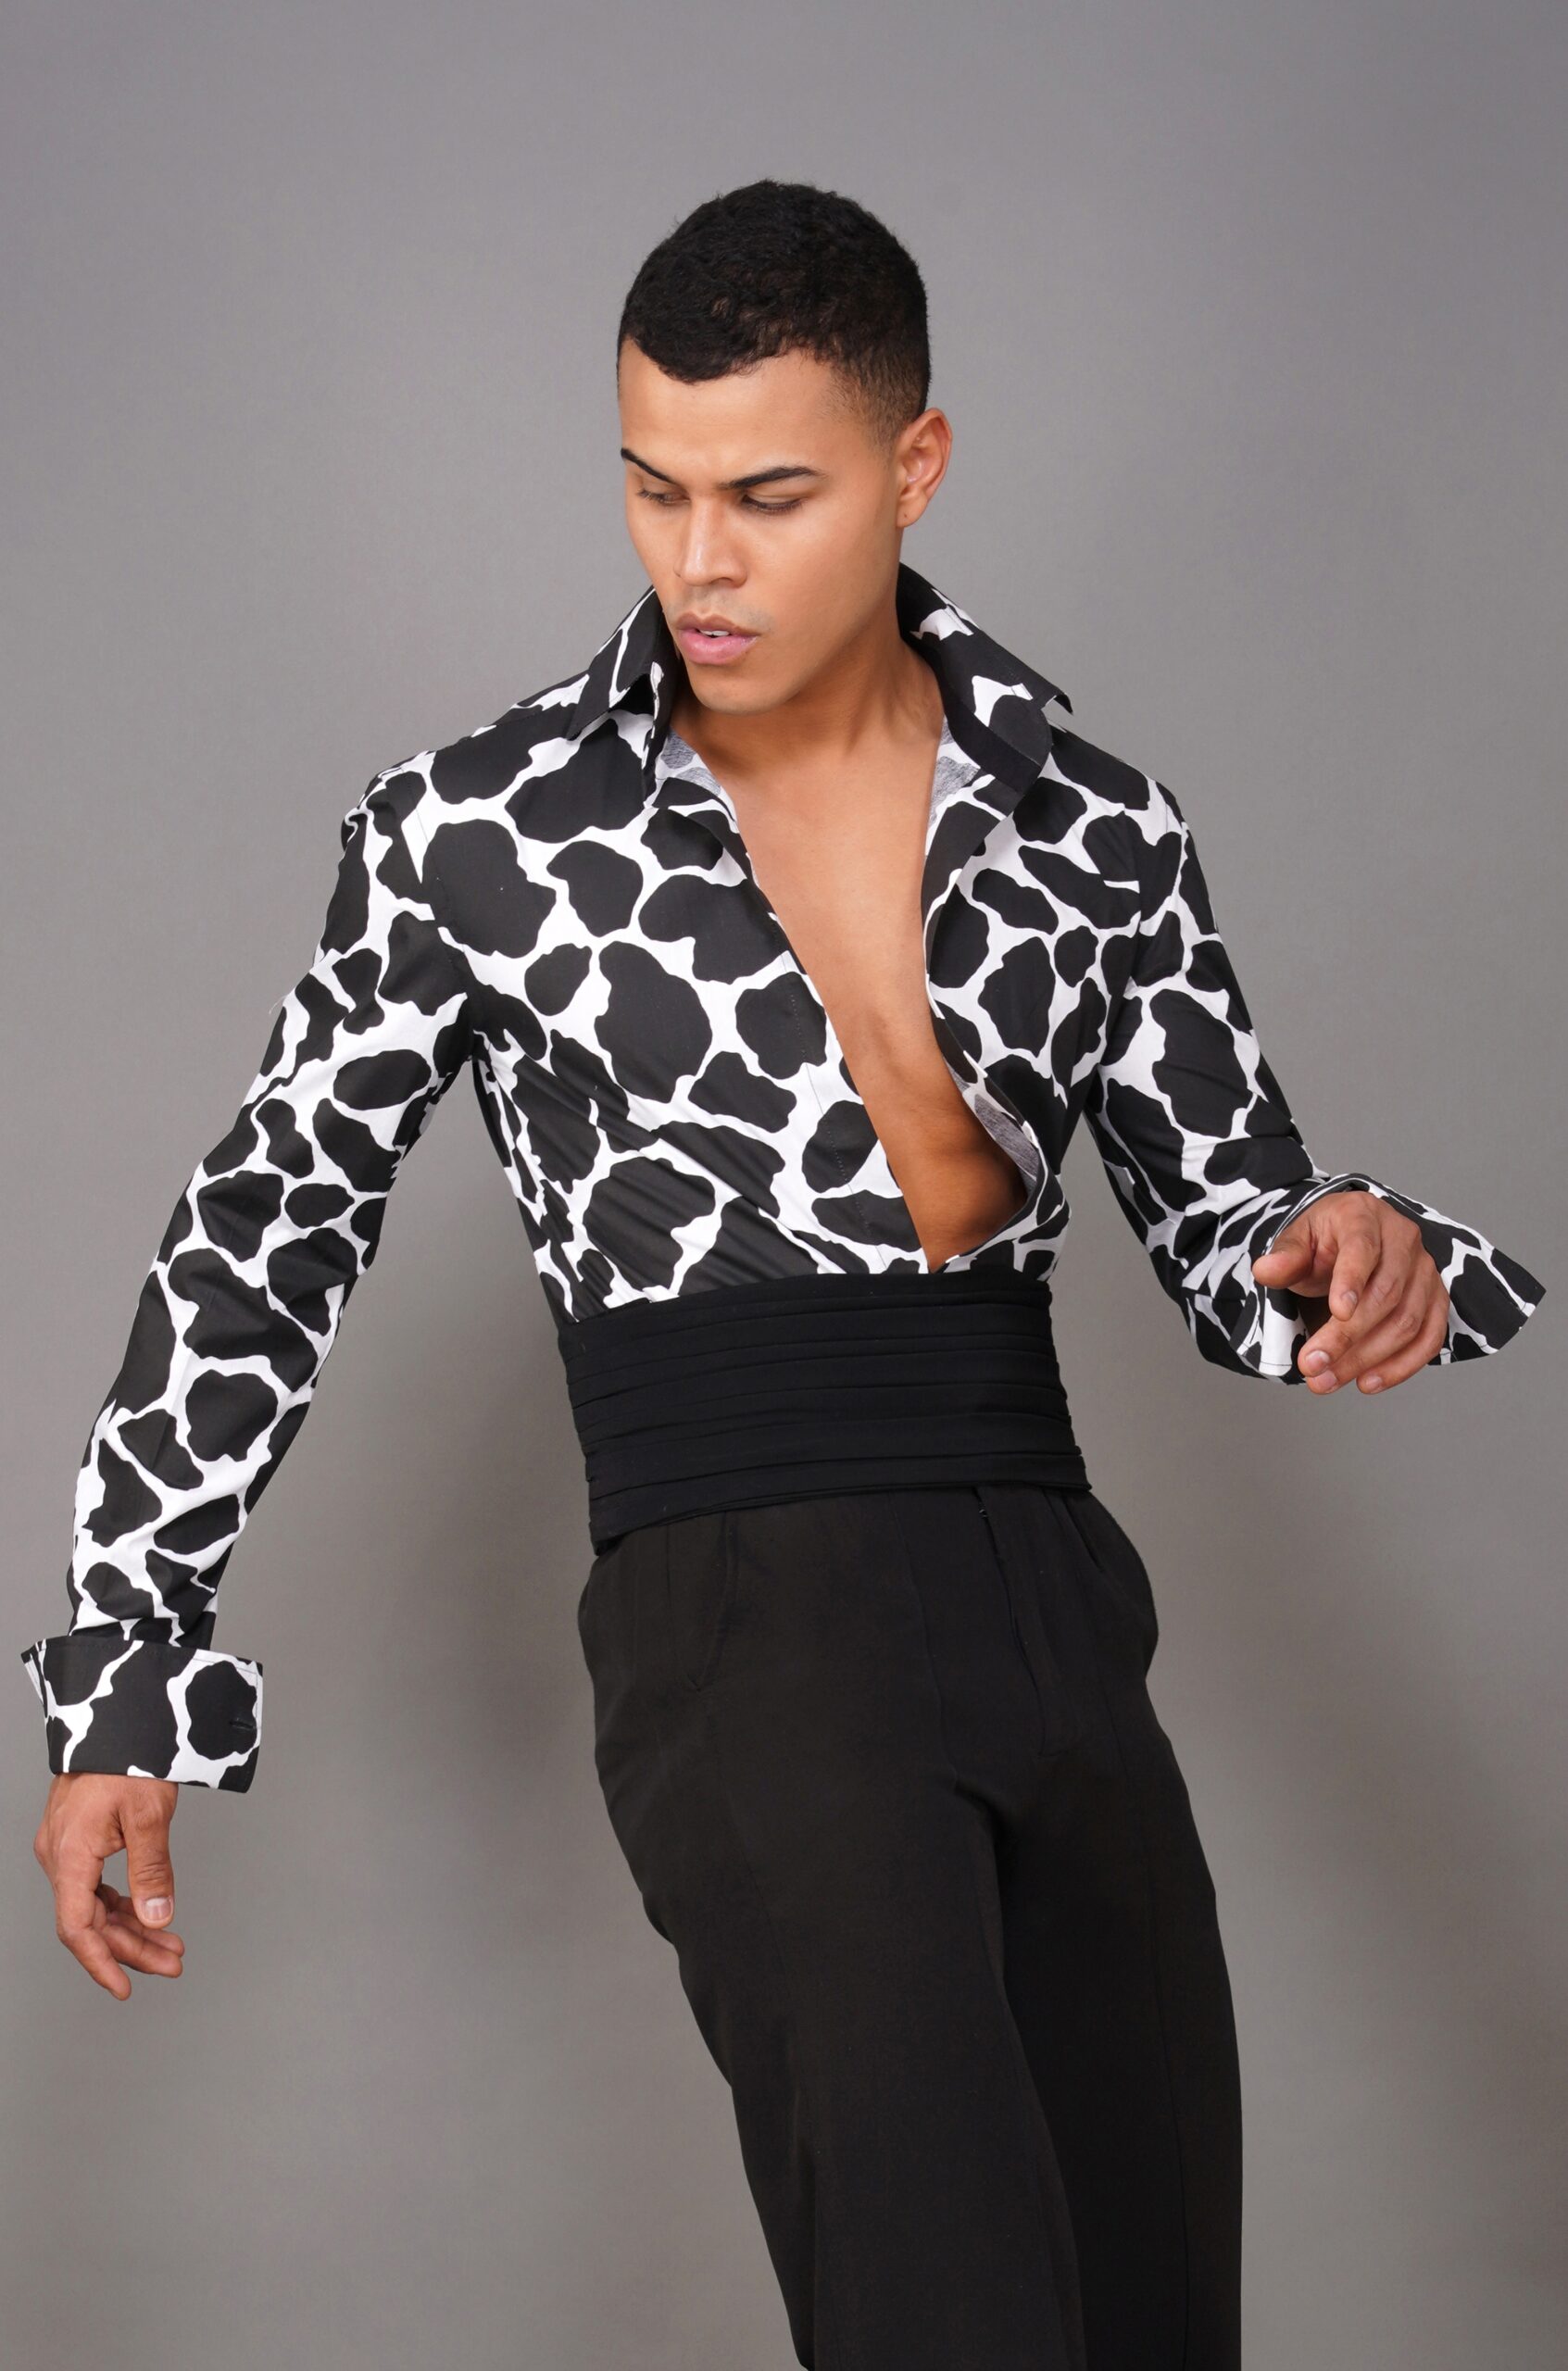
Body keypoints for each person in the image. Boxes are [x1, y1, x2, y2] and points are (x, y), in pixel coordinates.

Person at [24, 179, 1544, 2369]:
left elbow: (1240, 1237)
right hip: (743, 1594)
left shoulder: (1090, 819)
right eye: (653, 485)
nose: (699, 559)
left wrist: (1346, 1250)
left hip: (1048, 1580)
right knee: (947, 2311)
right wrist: (128, 1664)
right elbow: (270, 1223)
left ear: (914, 466)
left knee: (1150, 2308)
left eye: (768, 493)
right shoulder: (483, 830)